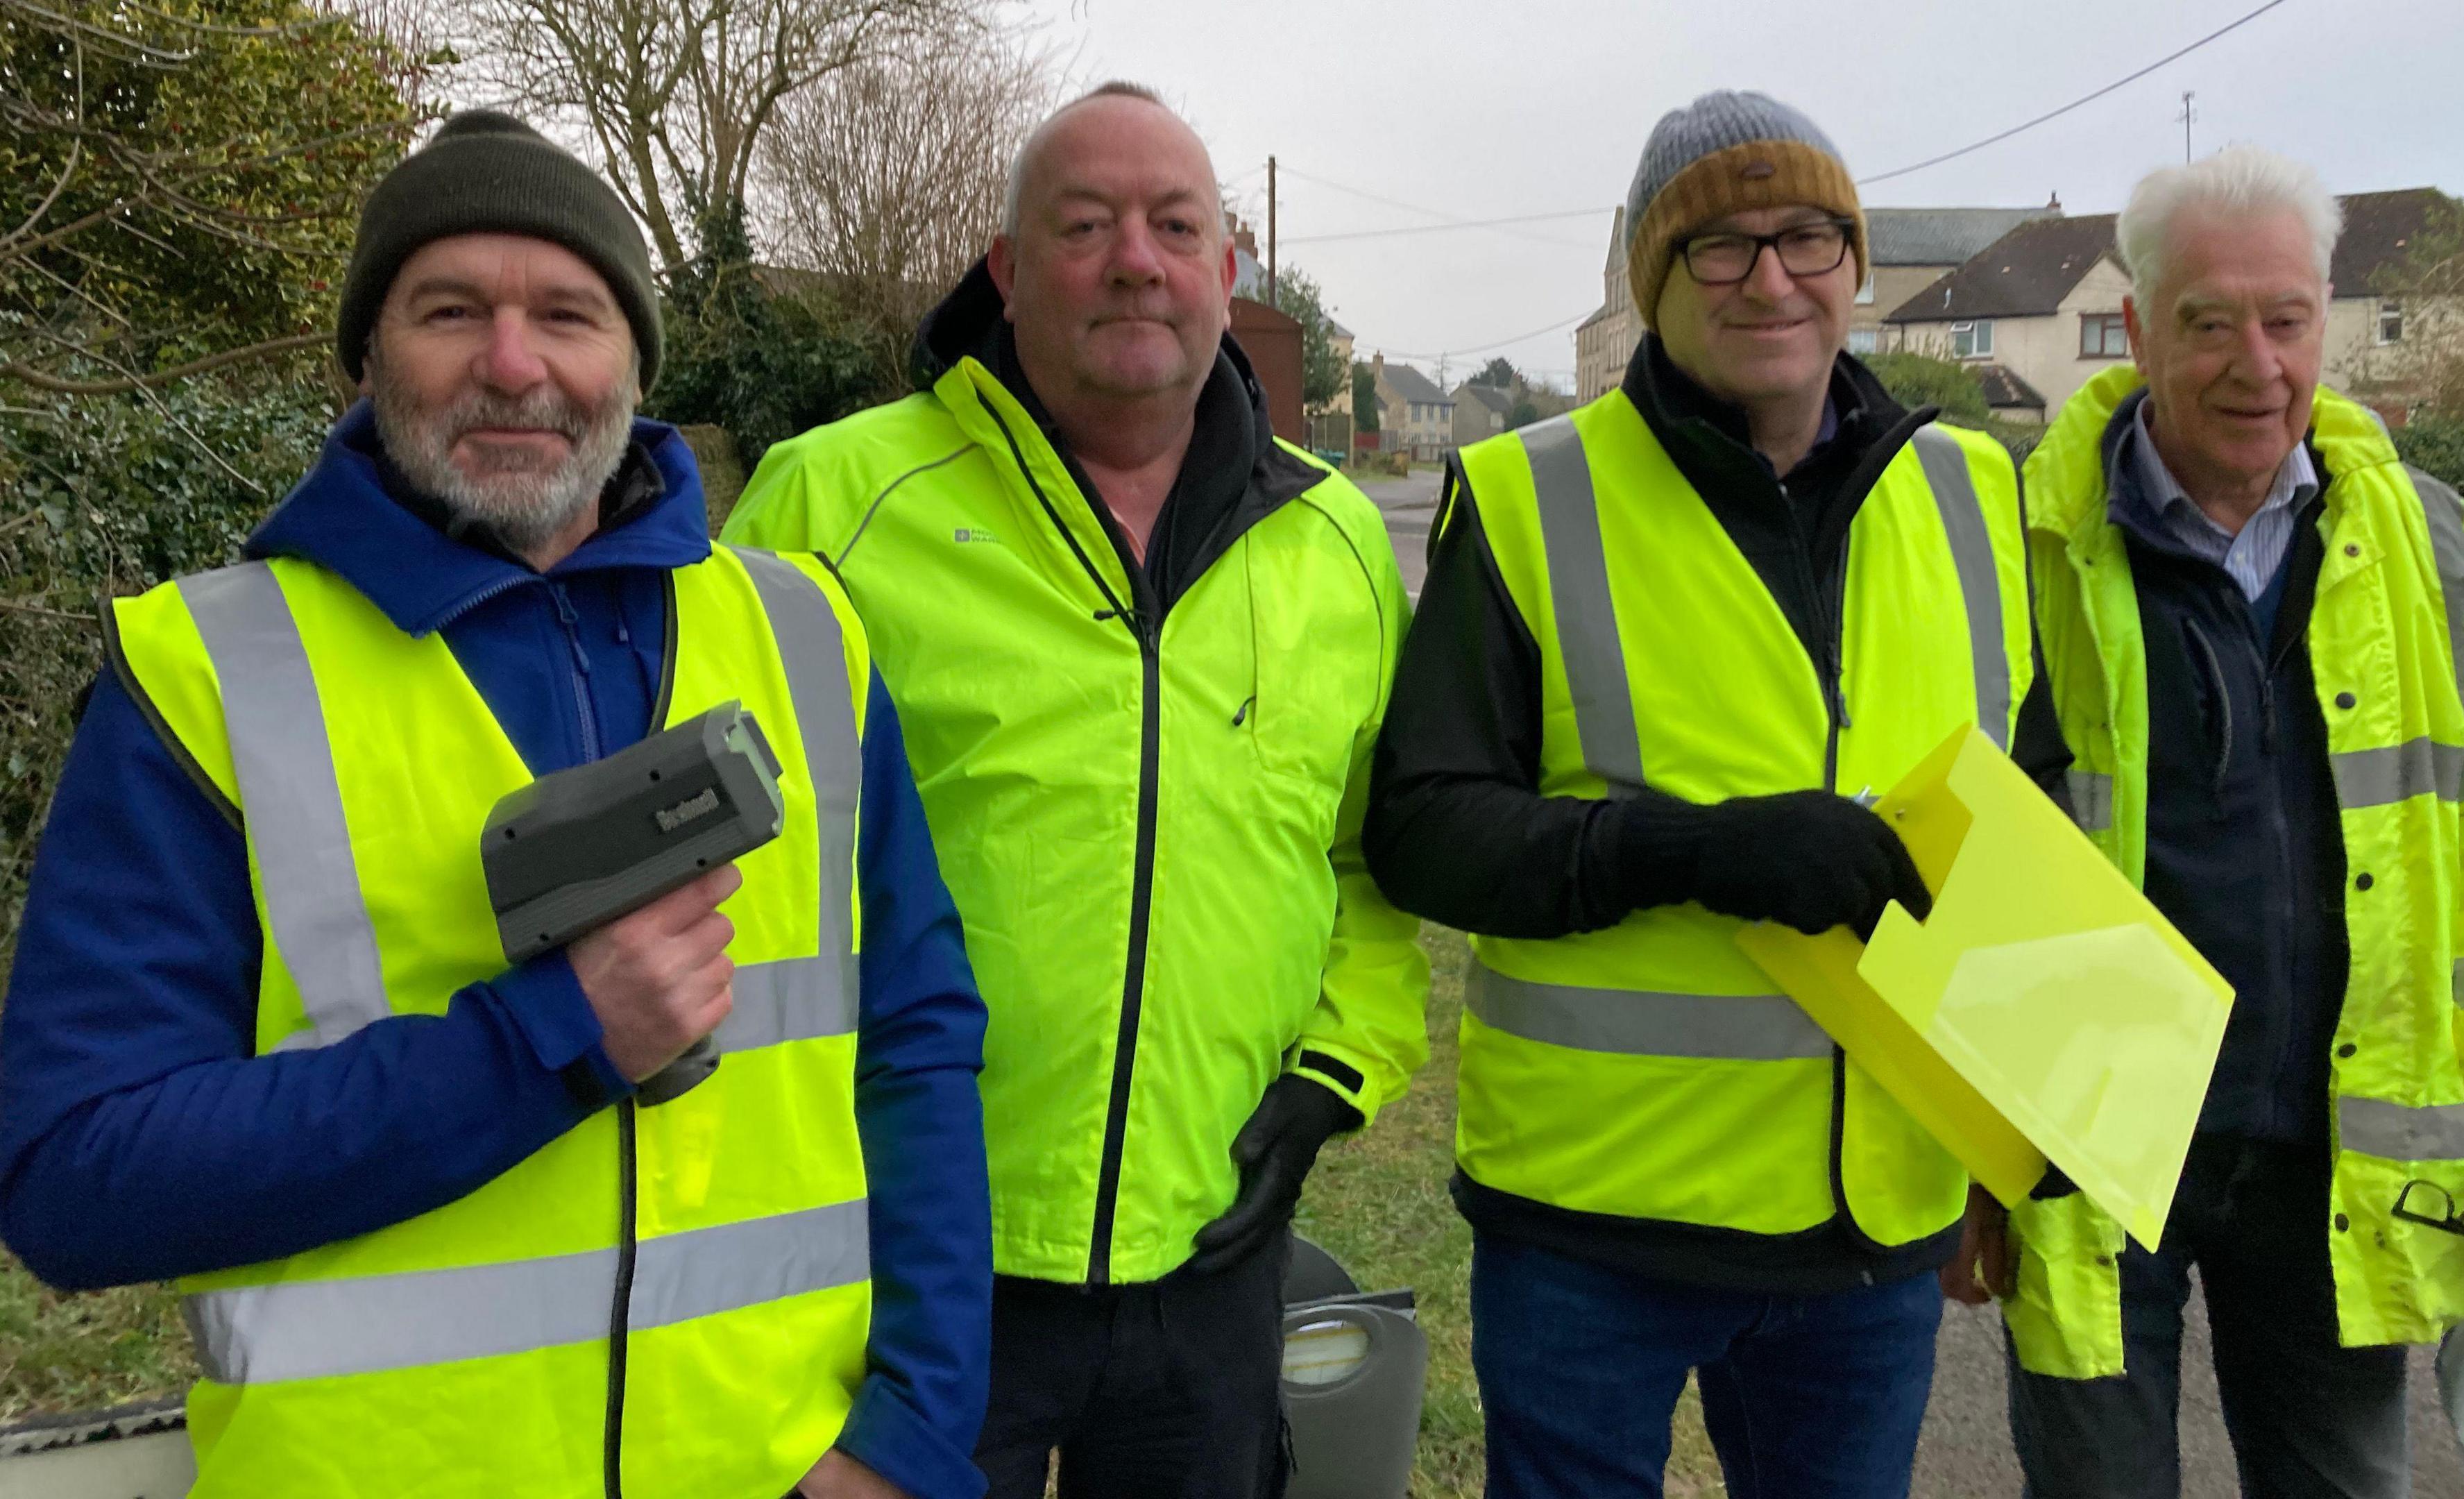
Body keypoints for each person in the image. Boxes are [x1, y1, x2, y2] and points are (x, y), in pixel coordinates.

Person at [0, 112, 991, 1499]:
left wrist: (913, 1438)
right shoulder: (205, 677)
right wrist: (550, 1041)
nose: (513, 365)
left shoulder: (805, 636)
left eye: (568, 315)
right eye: (449, 311)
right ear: (366, 357)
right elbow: (76, 1180)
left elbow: (918, 1042)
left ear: (635, 359)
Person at [721, 82, 1429, 1499]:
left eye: (1176, 225)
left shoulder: (1340, 544)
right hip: (906, 1258)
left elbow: (1371, 860)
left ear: (1229, 271)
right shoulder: (827, 505)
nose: (1133, 259)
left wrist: (1328, 1085)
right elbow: (724, 868)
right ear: (1006, 268)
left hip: (1210, 1257)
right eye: (1084, 223)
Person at [1363, 91, 2067, 1499]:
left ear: (1856, 265)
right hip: (1593, 1229)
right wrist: (1698, 853)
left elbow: (2026, 824)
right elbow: (1425, 831)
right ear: (1651, 288)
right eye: (1718, 248)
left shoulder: (1973, 489)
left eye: (1807, 237)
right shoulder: (1524, 493)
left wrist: (2012, 1137)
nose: (1771, 279)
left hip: (1871, 1232)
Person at [1957, 144, 2464, 1499]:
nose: (2256, 363)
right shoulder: (2011, 550)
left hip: (2335, 1151)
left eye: (2287, 319)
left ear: (2324, 317)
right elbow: (1953, 857)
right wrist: (1965, 1147)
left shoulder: (2433, 555)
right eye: (2208, 322)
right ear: (2136, 332)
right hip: (2092, 1144)